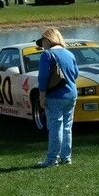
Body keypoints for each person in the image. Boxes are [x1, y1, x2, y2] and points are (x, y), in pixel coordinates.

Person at [36, 28, 79, 168]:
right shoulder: (69, 54)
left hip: (55, 95)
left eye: (42, 42)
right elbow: (76, 73)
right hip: (71, 94)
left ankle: (52, 159)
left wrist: (42, 96)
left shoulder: (47, 55)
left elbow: (43, 78)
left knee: (55, 127)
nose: (42, 46)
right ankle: (66, 158)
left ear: (48, 40)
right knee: (67, 127)